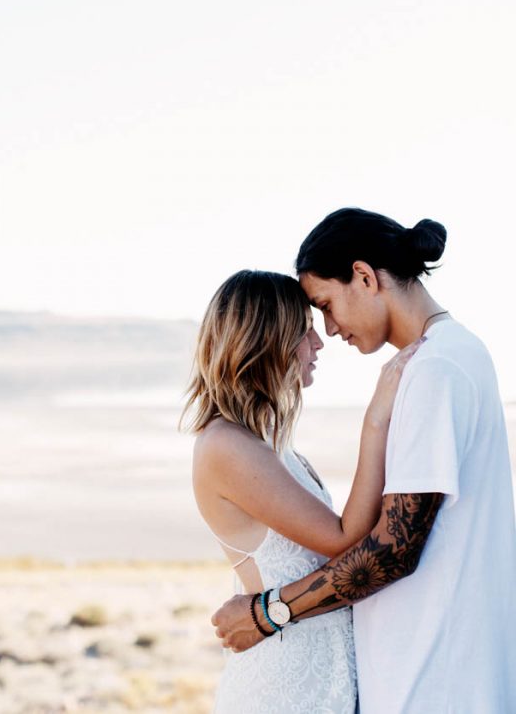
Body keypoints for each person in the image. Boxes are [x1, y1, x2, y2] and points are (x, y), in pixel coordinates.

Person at [212, 209, 516, 714]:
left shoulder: (436, 369)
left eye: (326, 305)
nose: (328, 330)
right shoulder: (442, 358)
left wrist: (267, 614)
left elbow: (393, 548)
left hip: (435, 679)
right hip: (421, 672)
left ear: (365, 276)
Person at [182, 268, 421, 713]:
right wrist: (375, 422)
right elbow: (344, 539)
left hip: (319, 682)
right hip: (282, 689)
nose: (319, 344)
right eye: (305, 332)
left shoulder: (266, 442)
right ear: (266, 341)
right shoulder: (227, 446)